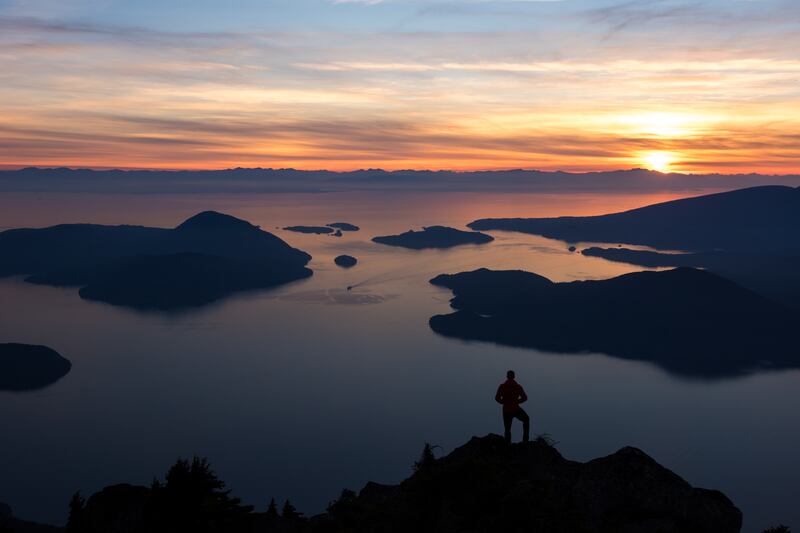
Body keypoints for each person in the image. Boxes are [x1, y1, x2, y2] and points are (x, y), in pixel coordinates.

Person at [495, 370, 530, 444]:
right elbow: (525, 398)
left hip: (506, 410)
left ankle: (508, 444)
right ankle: (525, 441)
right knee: (526, 419)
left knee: (507, 429)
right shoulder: (518, 387)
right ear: (514, 377)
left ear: (507, 376)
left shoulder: (502, 386)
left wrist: (504, 402)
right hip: (515, 409)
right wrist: (517, 401)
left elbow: (497, 398)